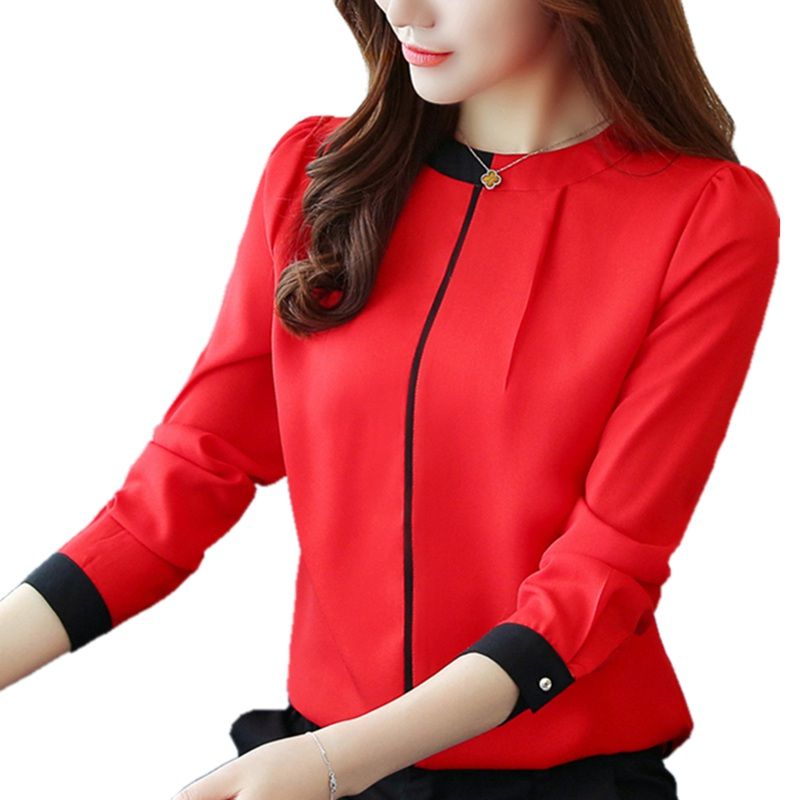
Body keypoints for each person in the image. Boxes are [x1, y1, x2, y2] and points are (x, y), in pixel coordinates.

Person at [0, 1, 781, 799]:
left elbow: (606, 569)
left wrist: (338, 763)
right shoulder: (315, 174)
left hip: (551, 781)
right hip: (312, 761)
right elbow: (189, 477)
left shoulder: (705, 216)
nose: (401, 9)